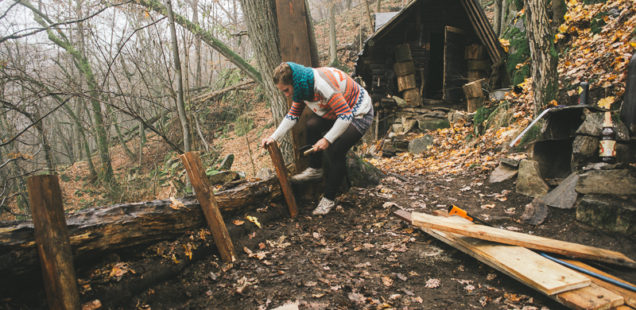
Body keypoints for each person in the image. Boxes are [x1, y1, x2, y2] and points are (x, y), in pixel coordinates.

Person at [261, 62, 374, 215]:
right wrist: (273, 137)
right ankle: (315, 169)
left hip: (358, 113)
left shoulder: (322, 84)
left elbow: (346, 117)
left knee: (336, 150)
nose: (286, 95)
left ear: (294, 83)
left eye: (286, 90)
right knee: (312, 125)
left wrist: (327, 139)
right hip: (338, 112)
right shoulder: (301, 86)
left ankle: (328, 199)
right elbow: (293, 116)